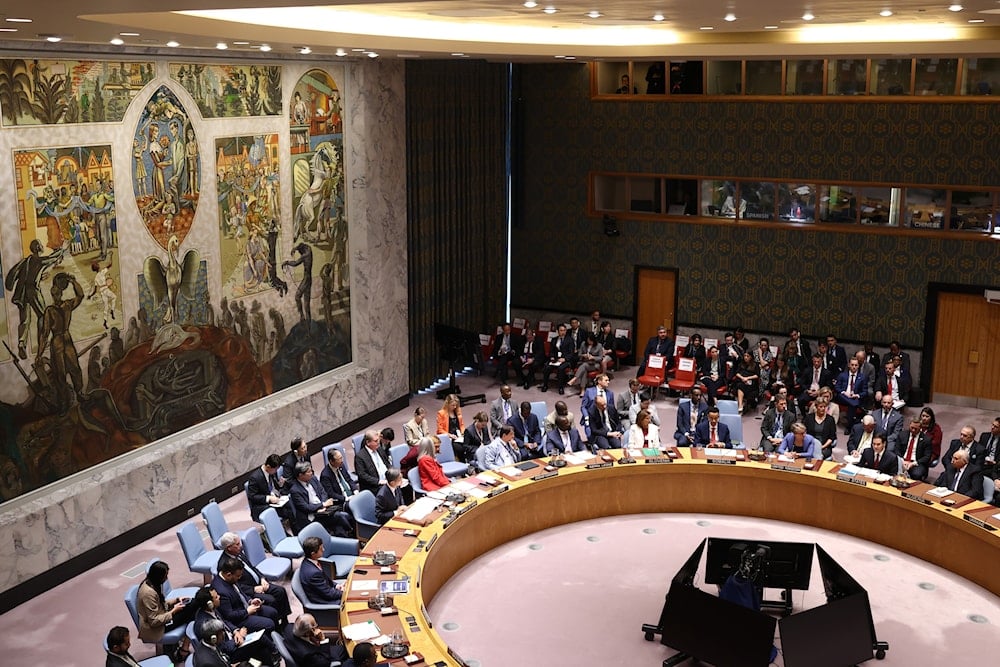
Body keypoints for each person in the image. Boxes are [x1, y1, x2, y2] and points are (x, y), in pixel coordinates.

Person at [4, 238, 66, 359]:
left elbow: (27, 275)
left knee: (25, 320)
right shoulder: (39, 260)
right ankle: (42, 341)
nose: (43, 246)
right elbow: (52, 258)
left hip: (22, 293)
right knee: (43, 315)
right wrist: (62, 249)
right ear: (38, 248)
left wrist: (39, 277)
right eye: (41, 245)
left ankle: (21, 343)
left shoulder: (27, 261)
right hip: (33, 291)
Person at [191, 586, 279, 667]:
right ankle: (275, 654)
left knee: (262, 648)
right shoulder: (204, 624)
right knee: (260, 640)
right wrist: (238, 639)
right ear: (209, 603)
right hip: (230, 651)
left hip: (232, 638)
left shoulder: (212, 609)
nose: (219, 597)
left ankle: (272, 661)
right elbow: (220, 648)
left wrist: (235, 631)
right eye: (216, 597)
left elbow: (224, 621)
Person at [218, 532, 291, 622]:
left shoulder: (238, 553)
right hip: (249, 590)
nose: (240, 546)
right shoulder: (224, 565)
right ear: (229, 548)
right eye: (237, 544)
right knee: (271, 600)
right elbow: (234, 586)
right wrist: (253, 589)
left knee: (280, 591)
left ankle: (284, 621)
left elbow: (252, 568)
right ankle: (275, 624)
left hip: (259, 583)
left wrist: (262, 578)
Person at [212, 556, 281, 632]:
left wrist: (250, 601)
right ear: (228, 575)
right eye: (238, 576)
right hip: (239, 619)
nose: (239, 578)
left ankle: (280, 635)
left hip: (246, 607)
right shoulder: (221, 591)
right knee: (269, 624)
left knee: (273, 612)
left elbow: (240, 592)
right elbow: (229, 616)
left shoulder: (230, 578)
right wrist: (247, 611)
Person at [137, 561, 197, 647]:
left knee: (193, 604)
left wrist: (177, 600)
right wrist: (173, 611)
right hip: (157, 628)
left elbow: (161, 604)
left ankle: (184, 646)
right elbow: (154, 621)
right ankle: (185, 647)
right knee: (193, 609)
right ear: (158, 576)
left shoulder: (153, 583)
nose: (166, 578)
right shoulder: (148, 593)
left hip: (163, 615)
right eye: (165, 576)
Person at [289, 462, 353, 536]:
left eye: (311, 471)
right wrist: (322, 505)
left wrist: (323, 505)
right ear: (300, 475)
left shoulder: (313, 479)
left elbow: (323, 492)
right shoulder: (295, 490)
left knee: (339, 522)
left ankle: (350, 534)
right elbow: (305, 507)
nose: (311, 473)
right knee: (339, 517)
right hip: (311, 516)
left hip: (323, 510)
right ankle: (350, 533)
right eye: (309, 472)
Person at [283, 613, 349, 667]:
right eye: (315, 627)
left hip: (315, 650)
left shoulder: (288, 628)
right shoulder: (307, 655)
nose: (317, 628)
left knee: (342, 647)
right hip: (323, 658)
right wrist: (323, 640)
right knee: (346, 651)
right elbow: (325, 663)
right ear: (307, 633)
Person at [246, 454, 289, 523]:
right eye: (275, 469)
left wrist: (280, 484)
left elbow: (274, 487)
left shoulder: (272, 472)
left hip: (276, 499)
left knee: (291, 503)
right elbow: (252, 496)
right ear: (268, 467)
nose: (276, 471)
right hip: (261, 505)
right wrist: (268, 498)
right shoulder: (255, 478)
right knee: (278, 512)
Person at [299, 537, 344, 603]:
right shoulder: (313, 573)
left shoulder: (310, 561)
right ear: (313, 553)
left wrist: (336, 585)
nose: (323, 550)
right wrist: (345, 592)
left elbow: (324, 579)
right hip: (326, 601)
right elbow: (329, 594)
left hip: (328, 590)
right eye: (321, 549)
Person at [541, 323, 577, 394]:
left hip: (566, 360)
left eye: (564, 330)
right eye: (561, 330)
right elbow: (551, 351)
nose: (563, 332)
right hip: (556, 359)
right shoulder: (554, 339)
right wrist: (552, 357)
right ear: (558, 331)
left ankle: (560, 387)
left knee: (561, 368)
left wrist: (565, 359)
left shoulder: (570, 340)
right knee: (547, 367)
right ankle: (545, 385)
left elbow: (571, 353)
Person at [834, 357, 868, 431]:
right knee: (852, 403)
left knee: (851, 405)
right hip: (843, 397)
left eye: (856, 365)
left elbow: (865, 391)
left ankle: (849, 427)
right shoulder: (842, 375)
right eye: (852, 365)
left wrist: (857, 395)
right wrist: (844, 393)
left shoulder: (862, 377)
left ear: (858, 366)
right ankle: (850, 426)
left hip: (854, 397)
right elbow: (837, 387)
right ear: (849, 365)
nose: (854, 367)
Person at [895, 417, 932, 481]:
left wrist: (913, 463)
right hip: (902, 460)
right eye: (912, 428)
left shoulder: (926, 440)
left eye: (916, 429)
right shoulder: (902, 434)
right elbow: (897, 449)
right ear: (909, 425)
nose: (913, 430)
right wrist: (902, 461)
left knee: (917, 474)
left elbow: (927, 456)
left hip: (916, 463)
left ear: (920, 428)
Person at [355, 430, 391, 494]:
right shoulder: (360, 457)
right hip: (374, 486)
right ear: (368, 442)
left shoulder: (380, 449)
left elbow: (387, 464)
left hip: (387, 480)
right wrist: (378, 481)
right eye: (375, 441)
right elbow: (362, 475)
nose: (378, 442)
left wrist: (394, 474)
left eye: (378, 440)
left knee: (405, 486)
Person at [731, 350, 759, 414]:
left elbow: (757, 375)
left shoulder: (755, 364)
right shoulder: (741, 363)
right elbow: (737, 373)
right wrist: (742, 378)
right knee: (740, 385)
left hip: (751, 383)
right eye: (745, 356)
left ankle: (740, 405)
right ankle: (740, 405)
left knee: (740, 386)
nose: (746, 357)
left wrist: (747, 378)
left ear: (751, 357)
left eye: (747, 356)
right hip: (741, 380)